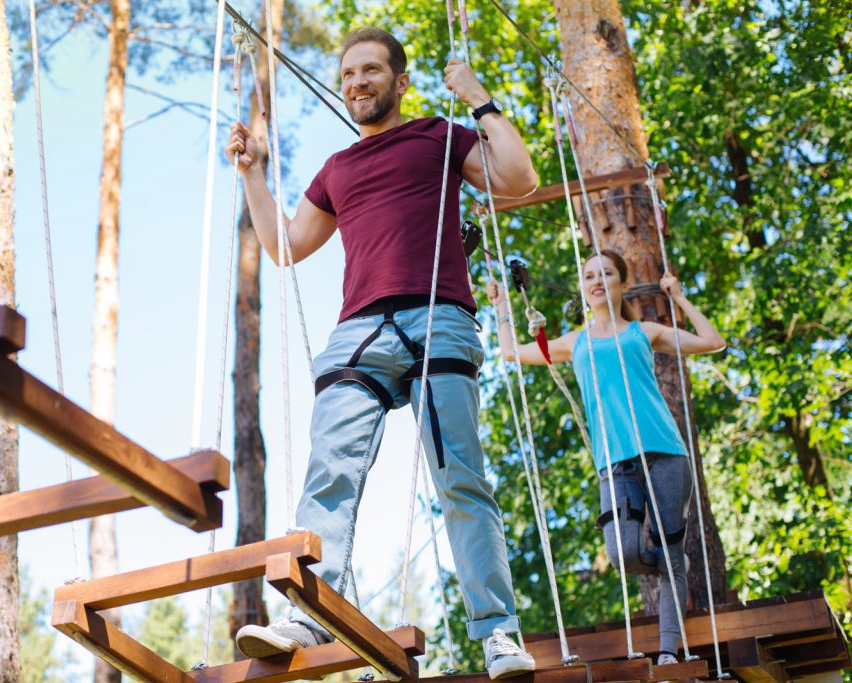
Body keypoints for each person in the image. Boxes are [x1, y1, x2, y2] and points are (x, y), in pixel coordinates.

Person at [225, 26, 539, 678]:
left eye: (370, 71)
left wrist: (476, 95)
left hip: (438, 319)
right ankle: (305, 614)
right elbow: (284, 245)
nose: (357, 84)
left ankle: (499, 633)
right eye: (347, 75)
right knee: (328, 475)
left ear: (399, 81)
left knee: (462, 482)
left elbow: (517, 176)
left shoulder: (437, 136)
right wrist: (253, 172)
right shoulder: (337, 169)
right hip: (358, 332)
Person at [487, 250, 726, 665]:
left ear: (620, 282)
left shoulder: (643, 332)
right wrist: (501, 307)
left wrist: (680, 297)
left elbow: (713, 342)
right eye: (590, 274)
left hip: (666, 454)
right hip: (614, 464)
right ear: (583, 286)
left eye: (607, 273)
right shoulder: (573, 342)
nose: (598, 280)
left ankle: (669, 651)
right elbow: (512, 353)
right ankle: (673, 565)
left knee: (670, 559)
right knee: (623, 554)